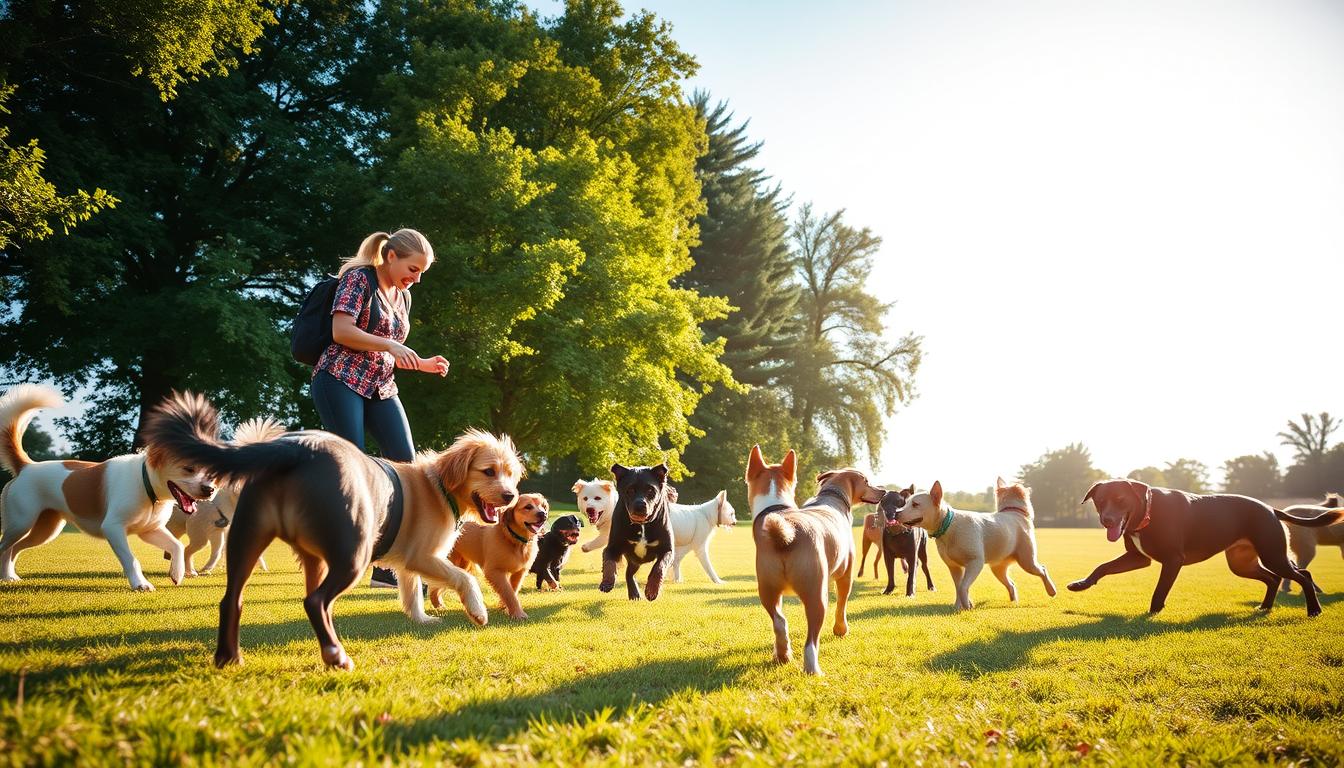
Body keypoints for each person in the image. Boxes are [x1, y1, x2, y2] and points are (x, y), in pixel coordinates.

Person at [311, 229, 449, 587]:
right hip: (340, 378)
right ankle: (341, 551)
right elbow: (342, 331)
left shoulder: (403, 297)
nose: (416, 279)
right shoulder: (359, 279)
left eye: (422, 273)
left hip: (381, 387)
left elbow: (389, 351)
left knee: (407, 466)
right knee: (355, 467)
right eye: (413, 269)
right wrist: (389, 345)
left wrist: (421, 363)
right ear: (391, 256)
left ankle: (388, 567)